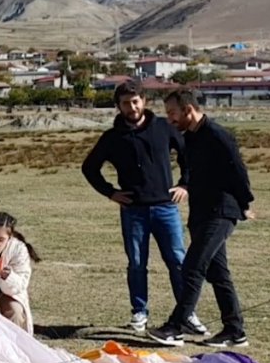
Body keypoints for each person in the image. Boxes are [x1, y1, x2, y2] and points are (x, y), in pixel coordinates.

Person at [81, 81, 199, 334]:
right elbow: (89, 168)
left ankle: (186, 314)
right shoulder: (112, 138)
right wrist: (110, 192)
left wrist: (185, 185)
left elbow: (187, 155)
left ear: (144, 101)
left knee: (178, 261)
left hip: (166, 208)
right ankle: (139, 312)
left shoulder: (164, 128)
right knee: (136, 263)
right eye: (126, 103)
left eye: (135, 101)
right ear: (118, 107)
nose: (132, 107)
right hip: (133, 211)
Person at [148, 90, 255, 348]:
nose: (170, 119)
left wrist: (245, 203)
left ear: (188, 110)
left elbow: (237, 171)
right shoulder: (191, 138)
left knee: (193, 266)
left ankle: (177, 325)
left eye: (173, 113)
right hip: (202, 213)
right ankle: (234, 330)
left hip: (221, 212)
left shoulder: (218, 136)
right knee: (218, 273)